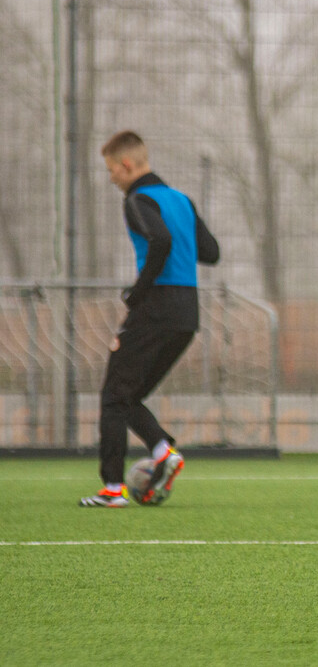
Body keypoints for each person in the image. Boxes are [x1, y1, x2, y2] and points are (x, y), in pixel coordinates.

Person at [80, 131, 220, 507]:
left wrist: (135, 293)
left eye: (111, 170)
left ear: (127, 165)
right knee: (129, 396)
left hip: (155, 307)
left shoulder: (137, 200)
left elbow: (159, 241)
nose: (111, 178)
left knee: (113, 396)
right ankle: (162, 451)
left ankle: (112, 490)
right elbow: (211, 251)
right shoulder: (182, 200)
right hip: (187, 314)